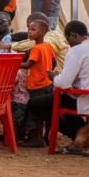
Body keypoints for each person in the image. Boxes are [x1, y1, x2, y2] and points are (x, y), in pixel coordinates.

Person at [51, 20, 89, 156]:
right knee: (53, 99)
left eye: (68, 40)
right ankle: (81, 131)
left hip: (86, 98)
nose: (69, 44)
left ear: (74, 36)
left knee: (39, 104)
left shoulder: (76, 51)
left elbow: (63, 83)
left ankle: (79, 132)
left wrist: (54, 77)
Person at [18, 13, 56, 146]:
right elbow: (54, 62)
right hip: (47, 83)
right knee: (46, 112)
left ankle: (35, 138)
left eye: (33, 30)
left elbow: (28, 64)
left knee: (34, 113)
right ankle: (45, 137)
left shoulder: (36, 48)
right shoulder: (48, 46)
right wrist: (47, 71)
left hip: (37, 85)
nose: (29, 32)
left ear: (43, 32)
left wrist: (15, 63)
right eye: (29, 29)